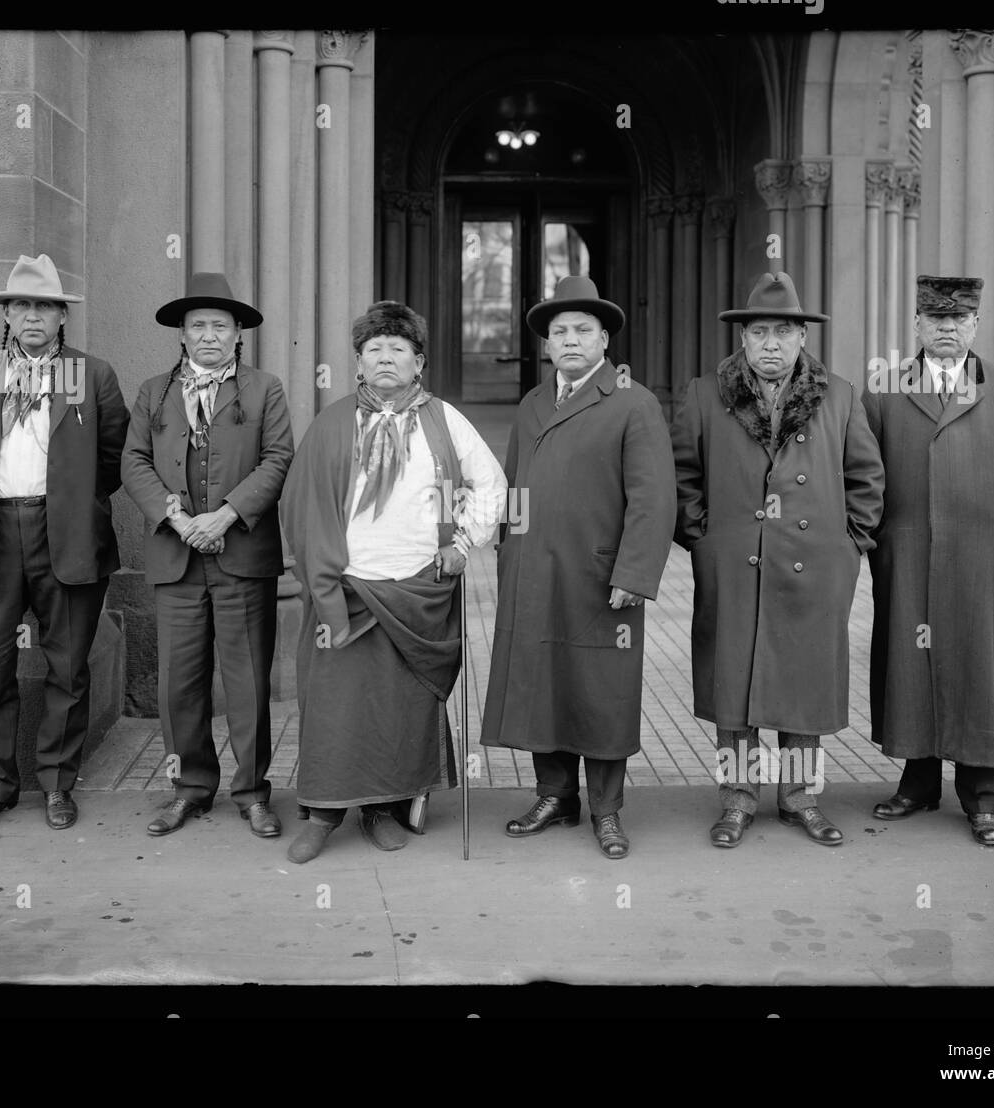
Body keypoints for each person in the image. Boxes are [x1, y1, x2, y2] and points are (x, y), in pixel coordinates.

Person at [279, 301, 506, 863]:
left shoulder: (444, 420)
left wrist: (462, 544)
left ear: (418, 362)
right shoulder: (332, 423)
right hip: (346, 591)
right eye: (374, 349)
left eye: (398, 349)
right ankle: (324, 812)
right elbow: (300, 506)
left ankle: (384, 806)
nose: (386, 358)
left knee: (398, 710)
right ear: (358, 362)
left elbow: (492, 483)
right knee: (333, 707)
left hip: (417, 591)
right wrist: (322, 584)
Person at [671, 271, 884, 848]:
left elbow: (867, 477)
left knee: (803, 685)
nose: (771, 343)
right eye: (760, 332)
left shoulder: (837, 395)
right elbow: (682, 477)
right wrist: (705, 540)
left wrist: (849, 547)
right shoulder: (703, 394)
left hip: (813, 568)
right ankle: (737, 802)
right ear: (742, 339)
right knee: (734, 690)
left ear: (801, 339)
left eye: (783, 332)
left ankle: (800, 800)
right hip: (735, 566)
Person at [482, 276, 676, 860]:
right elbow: (516, 481)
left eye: (582, 330)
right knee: (544, 682)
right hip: (536, 571)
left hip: (600, 578)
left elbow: (653, 498)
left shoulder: (632, 402)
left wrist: (633, 574)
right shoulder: (534, 403)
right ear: (546, 344)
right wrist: (506, 551)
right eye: (559, 331)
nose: (569, 340)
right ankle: (555, 795)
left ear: (603, 339)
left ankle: (607, 810)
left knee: (601, 691)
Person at [863, 276, 994, 845]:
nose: (947, 329)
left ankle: (982, 795)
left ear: (975, 325)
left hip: (985, 564)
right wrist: (878, 540)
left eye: (958, 320)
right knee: (910, 667)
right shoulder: (885, 390)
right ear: (918, 326)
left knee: (979, 669)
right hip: (908, 560)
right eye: (935, 319)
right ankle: (918, 783)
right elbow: (863, 475)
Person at [0, 253, 130, 835]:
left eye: (44, 305)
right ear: (7, 313)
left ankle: (56, 784)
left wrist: (73, 502)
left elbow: (114, 458)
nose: (31, 316)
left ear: (60, 317)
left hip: (67, 533)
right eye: (21, 304)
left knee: (68, 666)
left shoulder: (91, 374)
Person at [122, 273, 294, 838]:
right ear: (182, 334)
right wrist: (179, 519)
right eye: (198, 325)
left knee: (246, 681)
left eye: (221, 325)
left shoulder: (264, 388)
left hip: (242, 555)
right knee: (178, 684)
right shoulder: (154, 391)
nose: (210, 335)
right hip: (177, 558)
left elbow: (277, 458)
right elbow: (134, 463)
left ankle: (251, 793)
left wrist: (224, 515)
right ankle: (190, 788)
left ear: (238, 332)